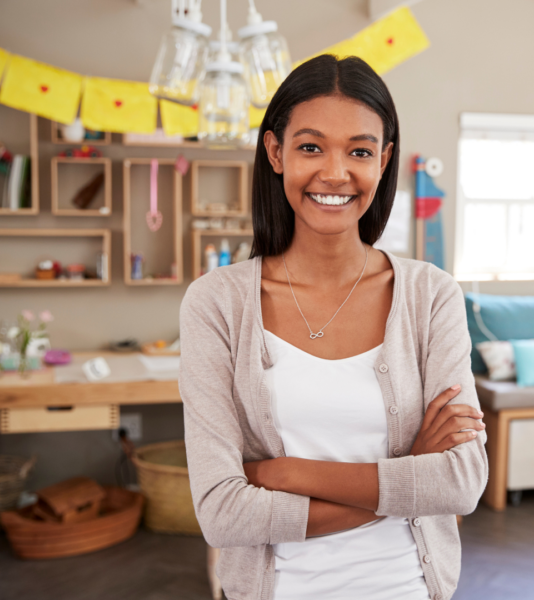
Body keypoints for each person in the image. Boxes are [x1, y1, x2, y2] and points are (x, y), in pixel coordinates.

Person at [179, 54, 488, 600]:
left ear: (384, 159)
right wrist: (408, 474)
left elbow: (460, 481)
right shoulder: (216, 304)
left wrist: (285, 473)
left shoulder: (431, 296)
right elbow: (223, 515)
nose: (335, 173)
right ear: (276, 152)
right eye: (310, 146)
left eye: (361, 151)